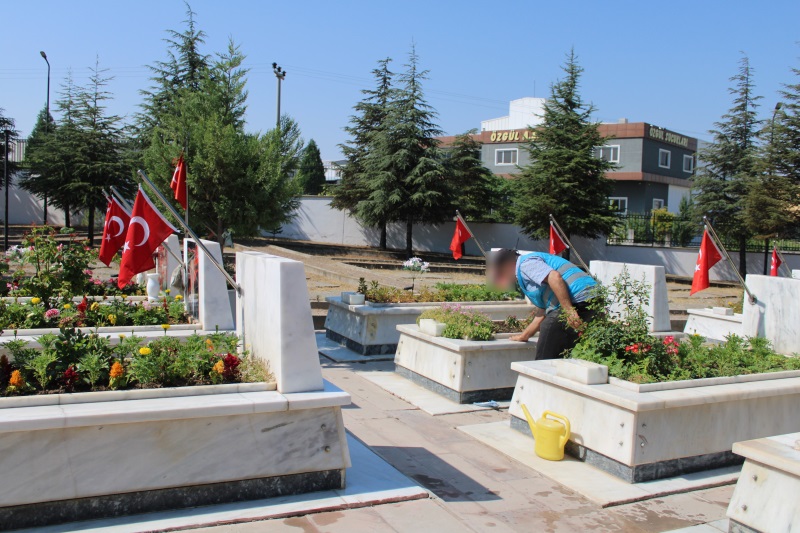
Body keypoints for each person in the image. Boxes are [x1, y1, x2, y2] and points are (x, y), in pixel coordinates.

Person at [487, 248, 597, 360]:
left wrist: (569, 311)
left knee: (549, 329)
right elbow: (542, 311)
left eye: (501, 273)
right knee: (562, 345)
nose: (502, 278)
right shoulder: (527, 269)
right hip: (592, 298)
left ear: (508, 265)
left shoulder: (525, 265)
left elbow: (555, 277)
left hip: (581, 298)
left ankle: (542, 366)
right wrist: (525, 335)